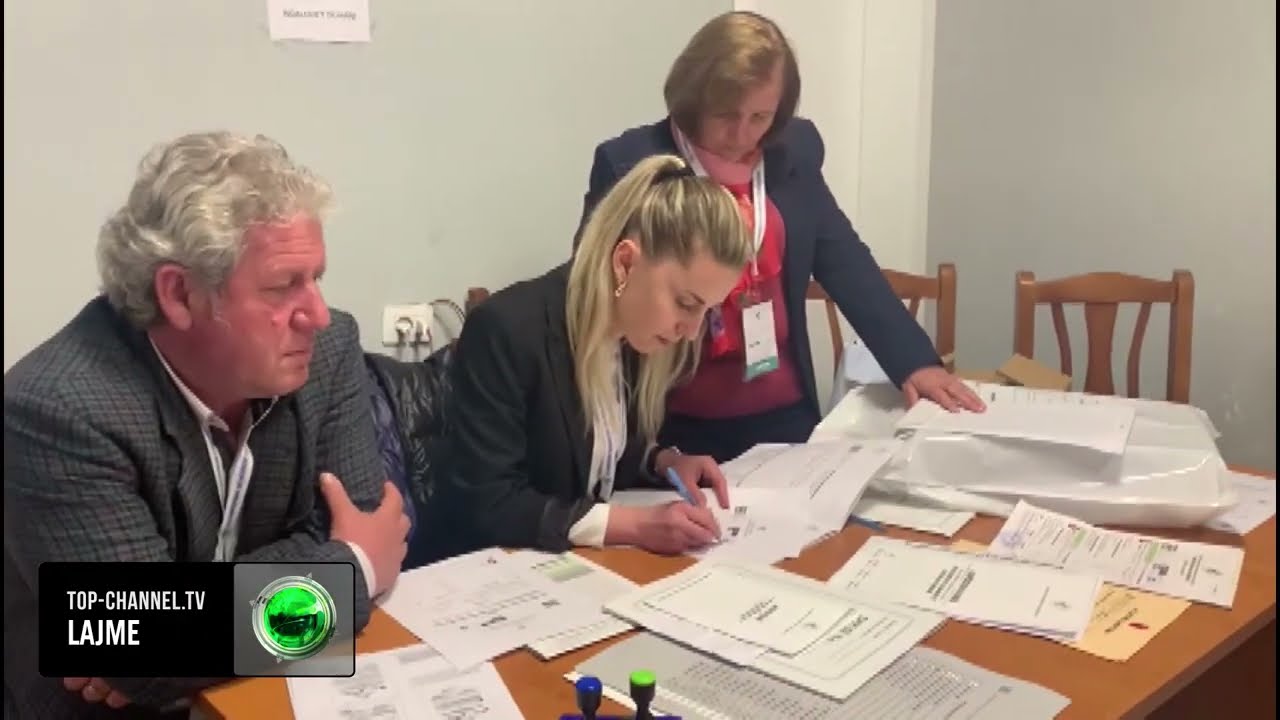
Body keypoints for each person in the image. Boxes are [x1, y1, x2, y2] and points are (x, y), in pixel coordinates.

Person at [3, 131, 410, 718]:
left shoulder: (327, 350)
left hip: (273, 690)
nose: (317, 314)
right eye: (282, 286)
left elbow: (359, 513)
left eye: (316, 277)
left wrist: (180, 631)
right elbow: (140, 650)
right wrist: (351, 570)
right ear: (179, 294)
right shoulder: (56, 409)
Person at [574, 11, 986, 463]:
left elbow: (846, 263)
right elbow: (593, 295)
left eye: (760, 117)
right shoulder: (631, 163)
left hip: (784, 416)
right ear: (693, 96)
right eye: (726, 115)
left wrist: (915, 361)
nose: (741, 134)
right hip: (669, 424)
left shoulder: (791, 154)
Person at [419, 154, 753, 562]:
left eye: (708, 311)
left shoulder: (636, 334)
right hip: (494, 570)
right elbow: (489, 502)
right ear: (625, 262)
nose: (692, 331)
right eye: (686, 303)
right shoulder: (507, 329)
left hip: (588, 569)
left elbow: (598, 455)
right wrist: (634, 525)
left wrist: (662, 462)